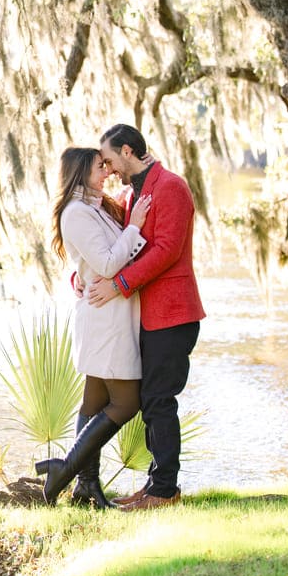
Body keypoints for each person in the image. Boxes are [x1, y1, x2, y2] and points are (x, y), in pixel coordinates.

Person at [86, 123, 205, 511]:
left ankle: (164, 490)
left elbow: (167, 250)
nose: (108, 168)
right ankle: (156, 485)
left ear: (127, 150)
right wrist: (80, 274)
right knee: (150, 400)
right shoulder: (127, 194)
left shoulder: (171, 187)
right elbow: (109, 245)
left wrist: (119, 283)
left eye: (109, 159)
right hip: (143, 316)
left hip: (173, 314)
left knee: (159, 399)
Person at [34, 147, 151, 508]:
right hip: (105, 320)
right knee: (127, 402)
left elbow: (88, 260)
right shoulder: (76, 213)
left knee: (95, 400)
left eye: (106, 165)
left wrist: (77, 275)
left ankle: (86, 487)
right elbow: (106, 262)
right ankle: (66, 470)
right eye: (100, 167)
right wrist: (134, 228)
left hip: (113, 314)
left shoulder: (95, 208)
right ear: (80, 173)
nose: (106, 172)